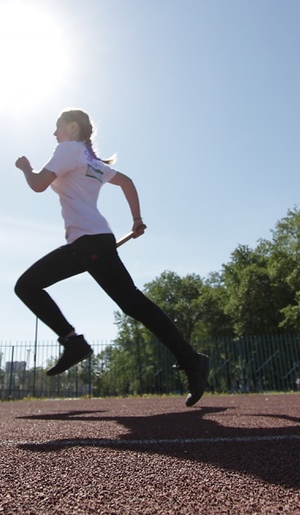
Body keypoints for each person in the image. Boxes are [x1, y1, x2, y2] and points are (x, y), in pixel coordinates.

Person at [13, 109, 210, 406]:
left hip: (89, 243)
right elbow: (127, 182)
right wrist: (137, 219)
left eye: (57, 128)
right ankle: (74, 342)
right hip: (88, 242)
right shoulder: (90, 160)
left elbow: (38, 184)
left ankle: (190, 359)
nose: (54, 134)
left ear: (72, 127)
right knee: (128, 302)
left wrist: (26, 168)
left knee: (131, 303)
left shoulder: (68, 150)